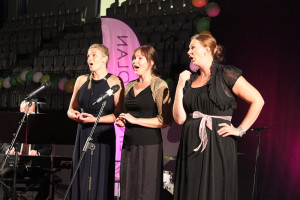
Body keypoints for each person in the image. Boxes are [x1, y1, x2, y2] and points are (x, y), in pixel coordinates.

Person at [172, 34, 264, 200]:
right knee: (190, 190)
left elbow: (258, 100)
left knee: (215, 190)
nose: (189, 52)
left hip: (218, 142)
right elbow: (179, 119)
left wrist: (240, 130)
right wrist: (179, 87)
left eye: (193, 47)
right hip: (191, 142)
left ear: (207, 50)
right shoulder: (190, 80)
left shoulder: (225, 73)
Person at [67, 44, 124, 200]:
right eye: (88, 56)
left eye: (94, 55)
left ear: (105, 58)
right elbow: (70, 110)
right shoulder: (81, 80)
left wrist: (96, 120)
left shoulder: (114, 81)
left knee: (100, 175)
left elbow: (117, 115)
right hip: (83, 132)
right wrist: (76, 116)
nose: (90, 59)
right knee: (82, 173)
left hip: (103, 135)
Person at [115, 45, 172, 200]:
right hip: (128, 145)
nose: (135, 61)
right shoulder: (129, 86)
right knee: (128, 189)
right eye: (134, 58)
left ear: (152, 62)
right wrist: (123, 121)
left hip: (149, 146)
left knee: (146, 191)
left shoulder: (159, 85)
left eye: (140, 58)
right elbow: (128, 113)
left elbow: (165, 120)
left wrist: (136, 120)